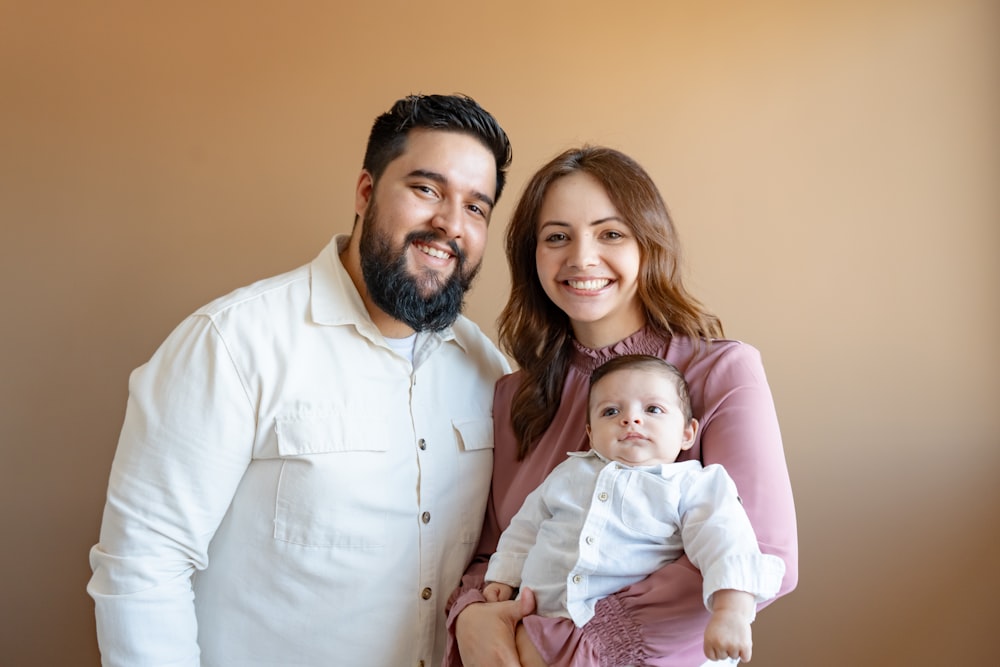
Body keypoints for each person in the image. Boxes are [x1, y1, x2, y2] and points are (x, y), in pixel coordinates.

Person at [87, 93, 513, 667]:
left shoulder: (487, 368)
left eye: (476, 208)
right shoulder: (233, 342)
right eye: (426, 189)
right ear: (365, 192)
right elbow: (142, 565)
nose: (449, 224)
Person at [445, 146, 798, 667]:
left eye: (610, 233)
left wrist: (573, 648)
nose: (582, 258)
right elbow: (496, 544)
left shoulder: (720, 372)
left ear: (647, 244)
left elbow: (767, 555)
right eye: (557, 237)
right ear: (532, 256)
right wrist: (473, 617)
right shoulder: (513, 394)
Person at [482, 355, 785, 664]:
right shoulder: (567, 474)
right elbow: (527, 527)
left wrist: (731, 612)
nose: (630, 419)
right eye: (611, 411)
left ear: (687, 433)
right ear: (591, 434)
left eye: (653, 409)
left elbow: (726, 542)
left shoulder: (692, 485)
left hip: (627, 647)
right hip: (540, 623)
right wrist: (503, 578)